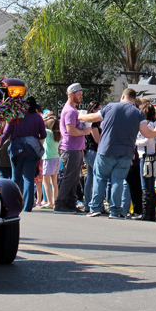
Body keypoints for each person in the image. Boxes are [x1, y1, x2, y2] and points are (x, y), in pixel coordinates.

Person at [79, 88, 156, 218]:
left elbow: (93, 117)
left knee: (100, 178)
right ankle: (115, 211)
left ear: (123, 96)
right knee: (118, 180)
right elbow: (146, 133)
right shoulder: (138, 113)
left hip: (106, 149)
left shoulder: (110, 107)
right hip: (126, 152)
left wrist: (80, 116)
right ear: (134, 100)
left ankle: (95, 208)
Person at [3, 97, 48, 213]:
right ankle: (27, 206)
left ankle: (15, 203)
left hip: (16, 150)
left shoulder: (15, 115)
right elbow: (43, 134)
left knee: (16, 177)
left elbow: (6, 133)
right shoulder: (37, 117)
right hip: (31, 151)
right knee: (29, 178)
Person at [56, 83, 93, 214]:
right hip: (70, 149)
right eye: (79, 94)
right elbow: (70, 130)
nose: (81, 96)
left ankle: (70, 203)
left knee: (74, 177)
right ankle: (60, 203)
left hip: (74, 148)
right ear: (71, 94)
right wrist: (85, 131)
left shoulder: (72, 110)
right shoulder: (70, 111)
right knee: (70, 177)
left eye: (81, 94)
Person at [135, 103, 156, 221]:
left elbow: (144, 140)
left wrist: (138, 142)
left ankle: (145, 213)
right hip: (154, 157)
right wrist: (155, 142)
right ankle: (151, 213)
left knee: (145, 185)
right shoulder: (155, 124)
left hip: (145, 157)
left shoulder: (144, 125)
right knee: (150, 184)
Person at [82, 101, 104, 212]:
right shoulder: (94, 124)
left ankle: (88, 204)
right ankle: (96, 204)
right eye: (97, 109)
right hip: (93, 151)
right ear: (92, 110)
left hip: (89, 152)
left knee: (90, 178)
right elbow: (97, 139)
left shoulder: (91, 122)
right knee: (97, 178)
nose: (99, 112)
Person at [38, 116, 61, 209]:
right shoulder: (58, 134)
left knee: (45, 182)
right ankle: (55, 201)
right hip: (56, 158)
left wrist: (45, 119)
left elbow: (40, 126)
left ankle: (49, 201)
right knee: (54, 182)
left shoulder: (48, 133)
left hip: (48, 159)